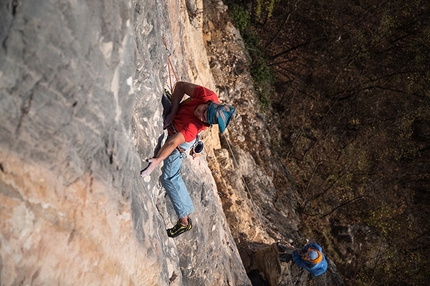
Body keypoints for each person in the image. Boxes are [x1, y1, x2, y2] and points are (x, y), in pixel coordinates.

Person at [140, 81, 236, 238]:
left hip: (180, 142)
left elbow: (172, 143)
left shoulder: (191, 128)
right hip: (178, 118)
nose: (200, 113)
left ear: (206, 123)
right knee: (170, 176)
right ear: (209, 103)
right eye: (204, 109)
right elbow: (181, 86)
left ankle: (184, 222)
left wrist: (157, 160)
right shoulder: (208, 95)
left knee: (169, 178)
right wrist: (174, 111)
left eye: (204, 117)